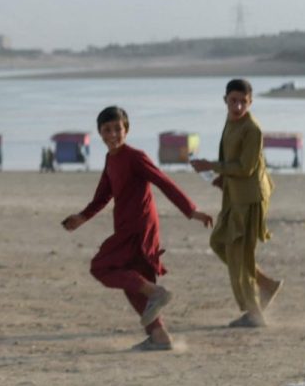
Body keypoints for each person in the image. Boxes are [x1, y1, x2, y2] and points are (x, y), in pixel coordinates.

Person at [62, 106, 213, 350]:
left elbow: (164, 182)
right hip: (126, 224)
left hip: (139, 228)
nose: (113, 134)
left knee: (101, 267)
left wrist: (191, 210)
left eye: (117, 129)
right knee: (133, 284)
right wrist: (81, 217)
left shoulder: (135, 156)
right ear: (100, 133)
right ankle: (159, 336)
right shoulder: (111, 159)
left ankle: (155, 292)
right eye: (107, 130)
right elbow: (102, 196)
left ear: (127, 130)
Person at [190, 78, 282, 327]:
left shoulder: (252, 130)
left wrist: (211, 166)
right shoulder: (231, 121)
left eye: (243, 102)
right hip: (234, 195)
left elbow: (246, 167)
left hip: (250, 198)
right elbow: (232, 159)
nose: (238, 106)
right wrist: (220, 177)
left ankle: (254, 314)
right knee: (219, 242)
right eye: (234, 101)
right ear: (225, 101)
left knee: (241, 254)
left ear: (250, 102)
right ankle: (265, 284)